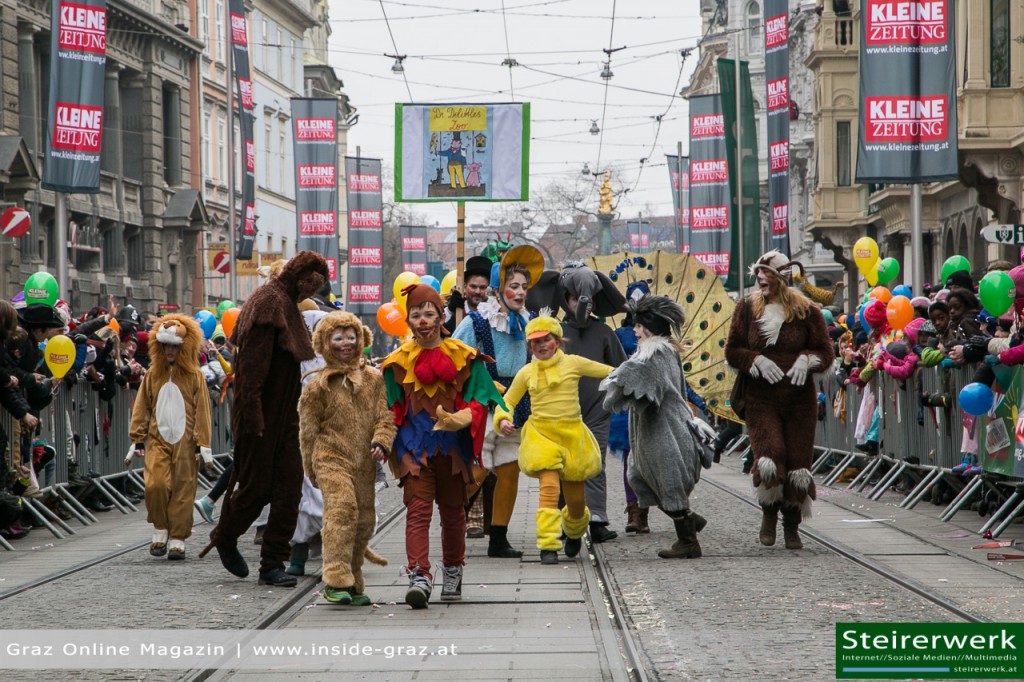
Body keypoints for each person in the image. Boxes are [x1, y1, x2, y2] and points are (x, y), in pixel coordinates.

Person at [201, 251, 330, 587]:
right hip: (262, 417)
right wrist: (253, 420)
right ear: (301, 279)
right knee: (256, 489)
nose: (308, 294)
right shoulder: (269, 304)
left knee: (290, 491)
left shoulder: (286, 301)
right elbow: (252, 374)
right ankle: (225, 535)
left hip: (288, 417)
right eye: (309, 286)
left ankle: (272, 563)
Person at [381, 283, 504, 608]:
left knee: (452, 514)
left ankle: (452, 569)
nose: (422, 320)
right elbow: (391, 410)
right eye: (416, 314)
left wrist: (466, 416)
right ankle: (419, 575)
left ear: (440, 316)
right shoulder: (396, 362)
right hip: (414, 448)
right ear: (408, 321)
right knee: (418, 512)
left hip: (452, 450)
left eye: (429, 313)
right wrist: (381, 441)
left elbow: (482, 396)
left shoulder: (464, 357)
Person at [725, 251, 834, 550]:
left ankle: (792, 525)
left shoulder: (807, 311)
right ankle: (768, 515)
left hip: (800, 401)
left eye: (766, 273)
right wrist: (754, 360)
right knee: (770, 456)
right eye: (758, 272)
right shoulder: (746, 308)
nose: (760, 277)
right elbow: (732, 350)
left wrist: (806, 360)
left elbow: (826, 354)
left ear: (782, 277)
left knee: (799, 464)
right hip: (761, 398)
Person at [494, 314, 613, 564]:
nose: (541, 345)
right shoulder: (526, 372)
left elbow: (610, 373)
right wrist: (503, 419)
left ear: (557, 341)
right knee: (548, 488)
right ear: (529, 347)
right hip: (542, 436)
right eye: (535, 342)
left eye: (546, 339)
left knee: (577, 501)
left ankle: (574, 531)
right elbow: (508, 400)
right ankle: (548, 545)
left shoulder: (574, 363)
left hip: (572, 438)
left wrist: (635, 376)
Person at [601, 296, 714, 559]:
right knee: (639, 477)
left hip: (667, 430)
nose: (635, 331)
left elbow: (633, 374)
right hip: (656, 429)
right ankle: (689, 520)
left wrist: (613, 383)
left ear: (650, 327)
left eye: (639, 326)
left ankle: (688, 540)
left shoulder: (655, 353)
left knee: (668, 480)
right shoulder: (659, 351)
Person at [452, 246, 544, 559]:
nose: (520, 292)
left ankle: (498, 538)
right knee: (478, 469)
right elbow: (455, 360)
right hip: (484, 402)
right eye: (513, 286)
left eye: (523, 287)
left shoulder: (528, 323)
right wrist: (478, 380)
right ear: (497, 289)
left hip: (517, 403)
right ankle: (451, 519)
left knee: (509, 469)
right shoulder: (476, 322)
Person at [299, 311, 396, 604]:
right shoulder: (317, 386)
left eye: (351, 337)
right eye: (338, 337)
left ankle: (353, 576)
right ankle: (334, 577)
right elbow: (308, 430)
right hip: (330, 456)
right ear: (325, 342)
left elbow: (385, 417)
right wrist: (309, 466)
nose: (345, 343)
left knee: (365, 518)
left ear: (361, 339)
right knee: (342, 509)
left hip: (364, 461)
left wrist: (382, 441)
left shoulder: (374, 380)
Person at [532, 263, 627, 542]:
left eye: (585, 299)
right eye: (573, 299)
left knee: (594, 463)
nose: (580, 304)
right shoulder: (555, 332)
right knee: (562, 465)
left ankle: (597, 517)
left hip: (597, 411)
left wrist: (619, 392)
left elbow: (621, 366)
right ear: (565, 299)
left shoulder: (604, 332)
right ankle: (566, 516)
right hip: (561, 413)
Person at [126, 315, 212, 560]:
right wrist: (138, 438)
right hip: (157, 439)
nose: (170, 351)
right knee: (156, 484)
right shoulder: (153, 374)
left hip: (186, 440)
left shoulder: (195, 376)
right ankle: (160, 528)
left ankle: (178, 536)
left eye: (175, 346)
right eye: (166, 346)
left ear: (184, 347)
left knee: (184, 488)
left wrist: (202, 443)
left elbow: (202, 410)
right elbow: (142, 406)